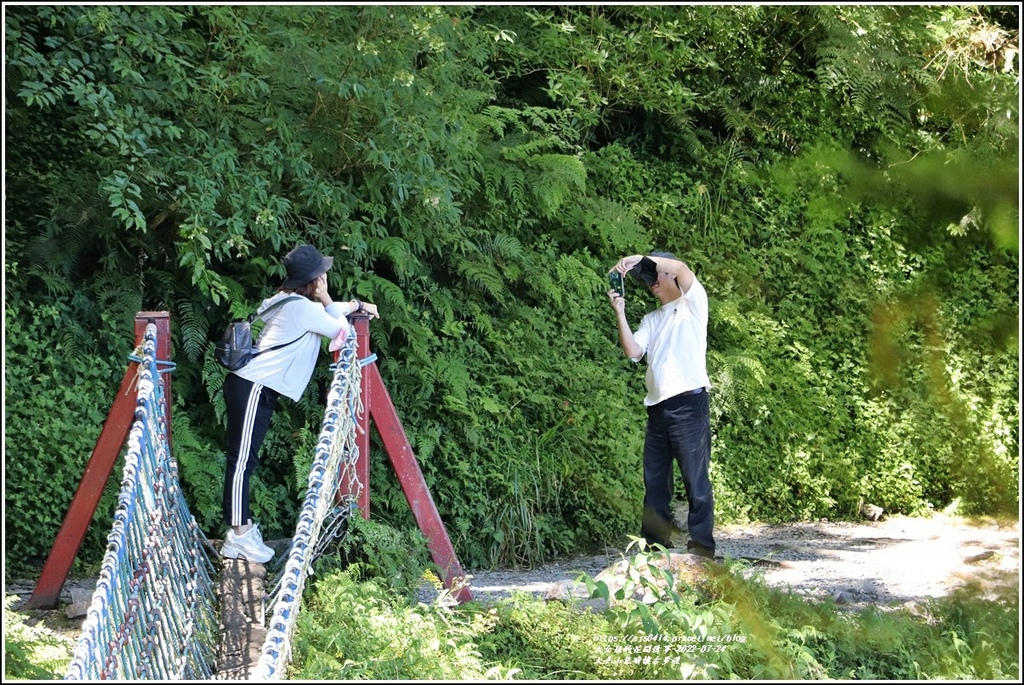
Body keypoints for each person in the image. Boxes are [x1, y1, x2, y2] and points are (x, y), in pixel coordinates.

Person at [221, 243, 379, 563]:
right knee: (242, 462)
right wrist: (328, 298)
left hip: (251, 386)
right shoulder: (303, 308)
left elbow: (330, 315)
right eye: (322, 274)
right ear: (313, 279)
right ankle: (238, 535)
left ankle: (241, 529)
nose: (325, 278)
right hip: (254, 387)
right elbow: (339, 330)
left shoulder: (283, 301)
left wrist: (356, 304)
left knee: (244, 460)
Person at [607, 251, 715, 559]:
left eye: (656, 274)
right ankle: (654, 547)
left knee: (696, 479)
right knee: (655, 482)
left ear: (669, 274)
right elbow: (633, 351)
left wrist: (639, 258)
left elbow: (681, 267)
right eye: (647, 277)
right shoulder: (652, 319)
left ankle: (702, 549)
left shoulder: (693, 303)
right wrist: (620, 312)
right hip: (657, 408)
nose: (651, 281)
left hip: (689, 404)